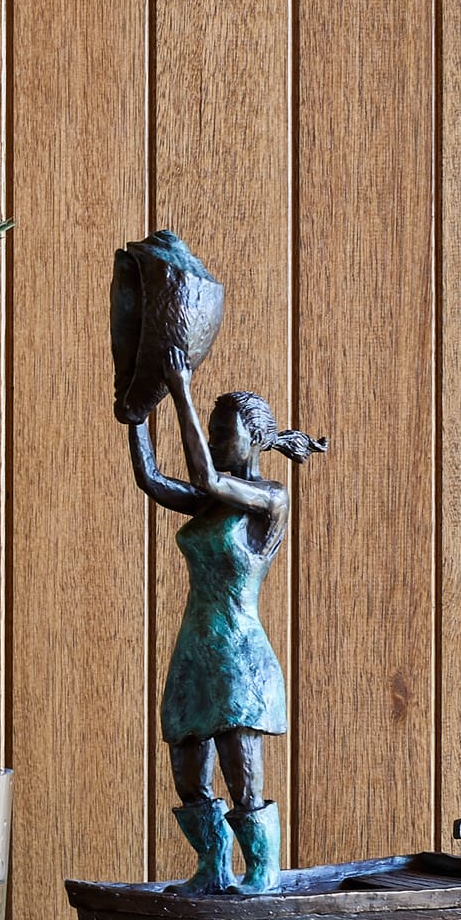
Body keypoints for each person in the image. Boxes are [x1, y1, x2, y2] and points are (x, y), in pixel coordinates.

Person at [128, 365, 325, 892]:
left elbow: (206, 478)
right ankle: (210, 869)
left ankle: (261, 872)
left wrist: (179, 388)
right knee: (188, 771)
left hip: (239, 656)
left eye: (220, 432)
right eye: (209, 431)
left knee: (242, 775)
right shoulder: (211, 504)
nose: (212, 440)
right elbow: (150, 479)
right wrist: (137, 412)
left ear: (256, 439)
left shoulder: (270, 499)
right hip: (195, 651)